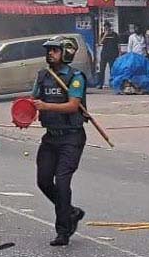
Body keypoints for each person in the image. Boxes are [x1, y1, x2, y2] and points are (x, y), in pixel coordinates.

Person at [32, 36, 90, 247]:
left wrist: (46, 107)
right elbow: (33, 102)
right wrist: (22, 113)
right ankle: (71, 212)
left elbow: (73, 106)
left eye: (54, 51)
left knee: (62, 183)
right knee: (43, 180)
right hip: (50, 137)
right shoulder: (43, 76)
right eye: (48, 50)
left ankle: (63, 231)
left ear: (65, 53)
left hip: (71, 138)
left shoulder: (75, 77)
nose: (50, 54)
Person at [97, 22, 119, 89]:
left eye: (107, 27)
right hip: (104, 54)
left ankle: (113, 83)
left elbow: (118, 44)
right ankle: (100, 84)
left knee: (112, 69)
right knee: (102, 69)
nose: (106, 29)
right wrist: (105, 35)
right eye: (105, 28)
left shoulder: (114, 34)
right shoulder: (103, 34)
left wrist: (119, 53)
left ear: (110, 27)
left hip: (113, 54)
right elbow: (100, 42)